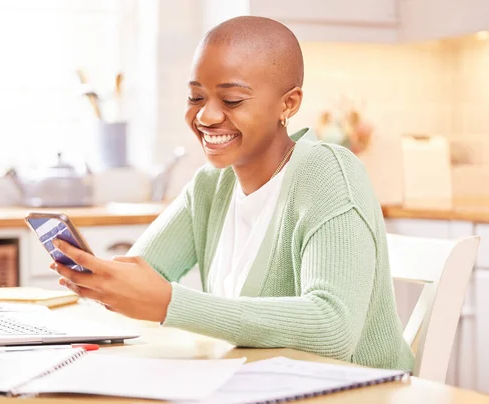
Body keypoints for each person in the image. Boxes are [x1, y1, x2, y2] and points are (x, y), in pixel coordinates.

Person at [50, 16, 414, 371]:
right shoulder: (212, 185)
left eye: (233, 100)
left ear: (288, 104)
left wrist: (171, 304)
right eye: (196, 97)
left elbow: (333, 328)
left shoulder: (327, 173)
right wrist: (103, 282)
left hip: (358, 392)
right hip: (259, 385)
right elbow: (145, 272)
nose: (206, 117)